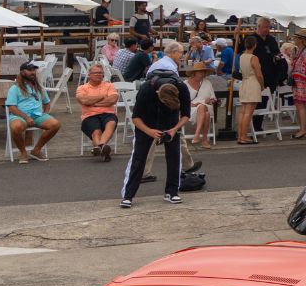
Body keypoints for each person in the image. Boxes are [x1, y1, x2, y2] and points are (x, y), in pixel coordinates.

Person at [120, 65, 188, 208]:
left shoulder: (182, 87)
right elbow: (136, 118)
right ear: (157, 93)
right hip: (146, 123)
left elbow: (186, 115)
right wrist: (149, 131)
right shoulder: (146, 89)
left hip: (171, 124)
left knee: (174, 157)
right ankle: (128, 195)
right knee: (138, 158)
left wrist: (175, 129)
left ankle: (172, 192)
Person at [5, 61, 61, 162]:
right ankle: (23, 153)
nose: (33, 72)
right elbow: (12, 107)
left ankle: (36, 150)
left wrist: (46, 113)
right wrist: (26, 117)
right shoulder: (15, 88)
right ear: (22, 72)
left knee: (55, 124)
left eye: (34, 70)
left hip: (37, 115)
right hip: (20, 116)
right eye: (30, 70)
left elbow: (47, 103)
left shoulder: (39, 87)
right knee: (16, 127)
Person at [74, 61, 120, 160]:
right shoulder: (82, 88)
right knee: (96, 131)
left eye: (101, 73)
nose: (99, 75)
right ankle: (103, 149)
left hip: (108, 113)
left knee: (111, 122)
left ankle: (99, 147)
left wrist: (93, 103)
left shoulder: (109, 85)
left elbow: (113, 99)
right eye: (96, 73)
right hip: (89, 115)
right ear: (89, 75)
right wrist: (102, 96)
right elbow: (84, 100)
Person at [234, 35, 264, 144]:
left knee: (243, 111)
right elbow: (259, 75)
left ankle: (240, 136)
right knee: (248, 112)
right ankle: (244, 136)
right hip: (253, 83)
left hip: (244, 82)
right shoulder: (253, 57)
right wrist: (262, 85)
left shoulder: (242, 56)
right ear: (255, 45)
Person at [185, 61, 216, 149]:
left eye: (203, 72)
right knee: (206, 114)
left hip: (206, 106)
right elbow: (181, 100)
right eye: (199, 71)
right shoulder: (185, 84)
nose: (202, 73)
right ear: (194, 73)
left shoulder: (207, 83)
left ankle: (197, 134)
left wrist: (210, 100)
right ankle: (204, 140)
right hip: (191, 108)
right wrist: (190, 103)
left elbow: (213, 99)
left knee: (203, 107)